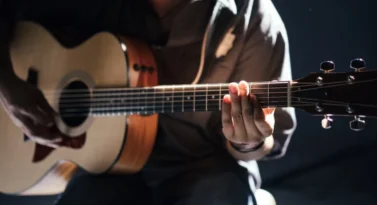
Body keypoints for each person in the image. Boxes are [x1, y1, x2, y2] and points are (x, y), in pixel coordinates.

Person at [0, 0, 296, 204]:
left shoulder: (254, 18)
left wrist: (248, 140)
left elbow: (264, 143)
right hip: (108, 168)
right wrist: (8, 85)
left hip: (205, 167)